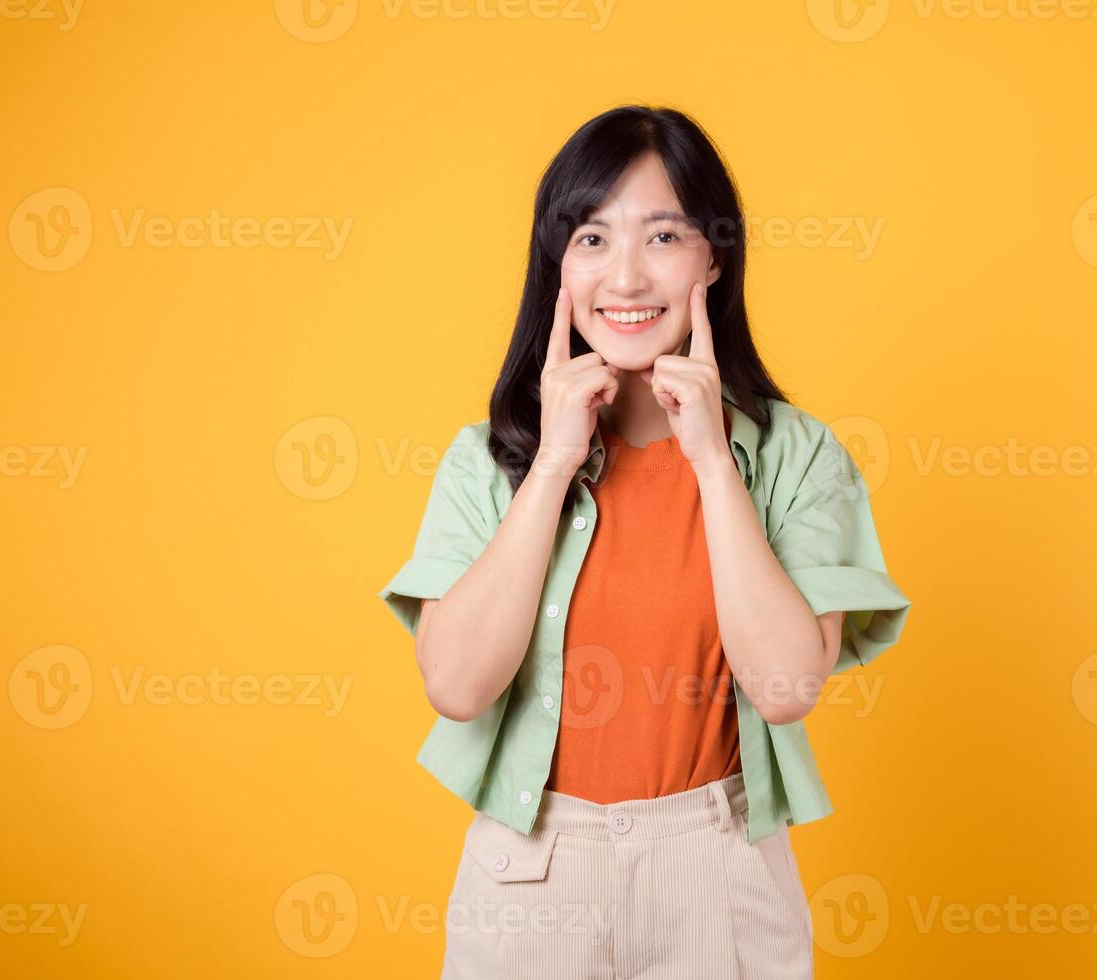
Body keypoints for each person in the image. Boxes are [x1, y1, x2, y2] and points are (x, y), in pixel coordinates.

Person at [379, 103, 912, 979]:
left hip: (720, 870)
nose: (625, 277)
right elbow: (457, 685)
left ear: (713, 256)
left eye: (662, 236)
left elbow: (784, 688)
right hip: (532, 874)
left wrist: (710, 459)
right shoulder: (490, 462)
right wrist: (553, 463)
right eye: (592, 239)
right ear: (557, 266)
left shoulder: (798, 454)